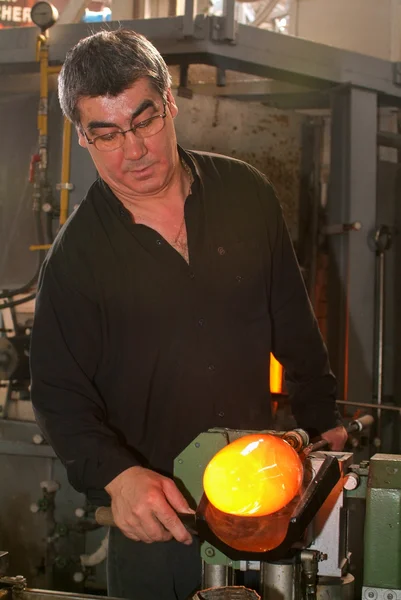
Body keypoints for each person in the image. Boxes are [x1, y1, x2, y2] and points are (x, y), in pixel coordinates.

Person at [30, 28, 347, 600]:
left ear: (170, 101)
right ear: (82, 138)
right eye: (106, 134)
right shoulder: (75, 261)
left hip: (262, 497)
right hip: (158, 521)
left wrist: (322, 418)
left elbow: (293, 323)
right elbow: (59, 394)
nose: (133, 151)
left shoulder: (245, 195)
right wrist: (117, 477)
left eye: (144, 121)